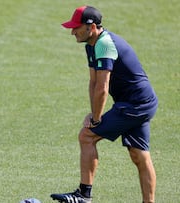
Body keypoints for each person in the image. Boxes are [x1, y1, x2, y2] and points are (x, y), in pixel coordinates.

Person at [50, 6, 158, 203]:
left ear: (91, 27)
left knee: (87, 136)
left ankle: (84, 195)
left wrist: (96, 119)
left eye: (76, 27)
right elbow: (93, 82)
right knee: (139, 154)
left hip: (135, 104)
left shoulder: (105, 44)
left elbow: (102, 87)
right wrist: (93, 114)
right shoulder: (91, 45)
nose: (73, 32)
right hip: (139, 102)